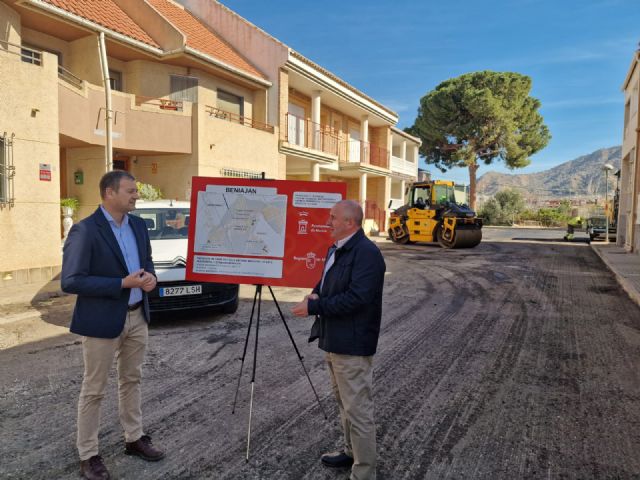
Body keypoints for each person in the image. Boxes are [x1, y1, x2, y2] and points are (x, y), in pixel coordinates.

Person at [61, 170, 165, 480]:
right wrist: (121, 283)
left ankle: (134, 438)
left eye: (135, 191)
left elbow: (146, 263)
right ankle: (88, 454)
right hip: (101, 321)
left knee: (132, 380)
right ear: (109, 193)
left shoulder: (137, 225)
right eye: (130, 191)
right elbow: (71, 281)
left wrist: (151, 279)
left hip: (137, 315)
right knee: (94, 389)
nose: (136, 195)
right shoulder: (85, 230)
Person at [291, 199, 386, 480]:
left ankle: (364, 473)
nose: (328, 222)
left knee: (358, 411)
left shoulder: (367, 253)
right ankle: (350, 453)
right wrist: (315, 294)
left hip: (353, 345)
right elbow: (326, 283)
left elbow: (358, 298)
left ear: (350, 223)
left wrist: (315, 307)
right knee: (344, 404)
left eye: (333, 217)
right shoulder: (337, 249)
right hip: (335, 340)